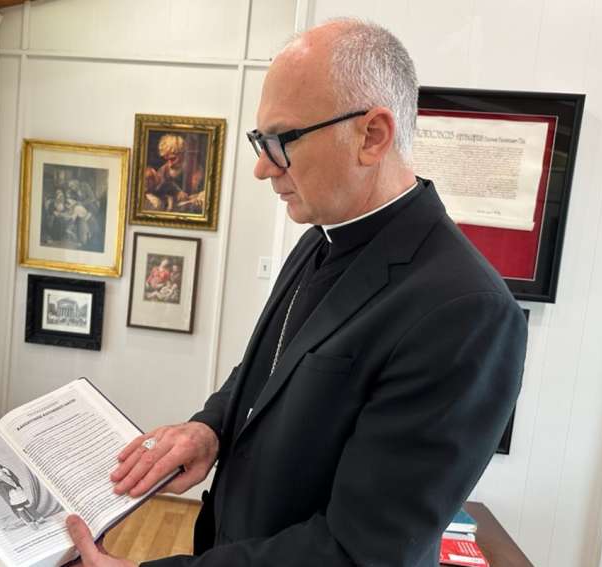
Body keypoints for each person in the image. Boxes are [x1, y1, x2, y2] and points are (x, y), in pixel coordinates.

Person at [65, 18, 527, 567]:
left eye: (281, 140)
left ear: (372, 135)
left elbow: (359, 553)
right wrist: (209, 428)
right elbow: (270, 371)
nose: (262, 167)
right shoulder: (317, 239)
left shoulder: (466, 309)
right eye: (261, 141)